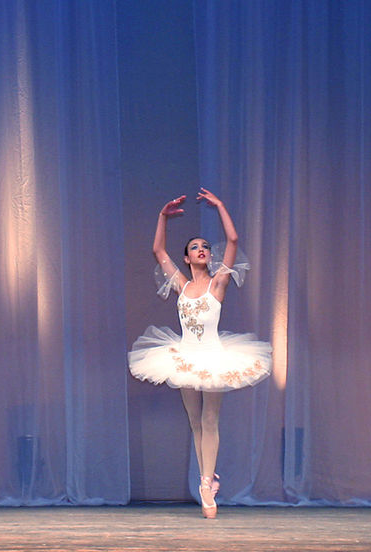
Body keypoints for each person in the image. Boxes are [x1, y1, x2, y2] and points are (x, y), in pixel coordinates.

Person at [128, 188, 272, 518]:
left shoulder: (218, 283)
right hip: (184, 356)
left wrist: (219, 205)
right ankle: (206, 478)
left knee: (210, 419)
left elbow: (233, 240)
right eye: (195, 247)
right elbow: (158, 250)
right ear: (187, 258)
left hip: (214, 356)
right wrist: (162, 217)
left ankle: (207, 484)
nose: (202, 249)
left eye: (205, 246)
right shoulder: (181, 284)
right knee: (195, 422)